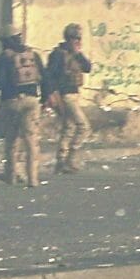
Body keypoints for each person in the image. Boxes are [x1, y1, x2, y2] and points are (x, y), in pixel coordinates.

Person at [0, 31, 45, 187]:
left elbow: (0, 82)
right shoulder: (32, 55)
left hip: (11, 102)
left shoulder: (5, 56)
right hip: (31, 101)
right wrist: (45, 97)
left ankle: (11, 176)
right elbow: (45, 77)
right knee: (31, 142)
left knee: (12, 141)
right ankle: (33, 179)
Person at [44, 25, 95, 174]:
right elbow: (50, 75)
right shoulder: (59, 54)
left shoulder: (76, 55)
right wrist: (52, 95)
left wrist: (78, 54)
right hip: (65, 95)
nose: (78, 41)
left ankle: (61, 161)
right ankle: (70, 157)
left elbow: (87, 68)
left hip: (74, 93)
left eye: (79, 38)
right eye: (75, 38)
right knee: (83, 126)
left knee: (69, 128)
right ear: (69, 39)